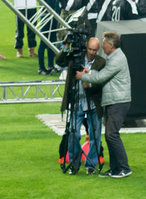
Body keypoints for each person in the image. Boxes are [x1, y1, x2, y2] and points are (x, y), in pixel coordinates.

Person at [76, 31, 132, 178]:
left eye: (104, 43)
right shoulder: (113, 57)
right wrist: (90, 72)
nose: (102, 45)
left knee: (112, 135)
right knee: (109, 136)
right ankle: (114, 168)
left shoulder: (116, 59)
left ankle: (124, 168)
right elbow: (103, 74)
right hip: (114, 101)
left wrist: (83, 76)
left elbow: (101, 77)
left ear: (111, 45)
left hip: (118, 101)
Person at [56, 37, 105, 174]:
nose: (91, 52)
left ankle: (91, 165)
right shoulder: (75, 57)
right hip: (77, 101)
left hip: (94, 103)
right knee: (73, 133)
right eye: (89, 49)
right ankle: (74, 162)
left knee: (95, 136)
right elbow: (59, 61)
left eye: (94, 50)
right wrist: (66, 46)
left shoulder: (102, 62)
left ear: (98, 49)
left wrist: (88, 81)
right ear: (86, 46)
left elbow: (103, 82)